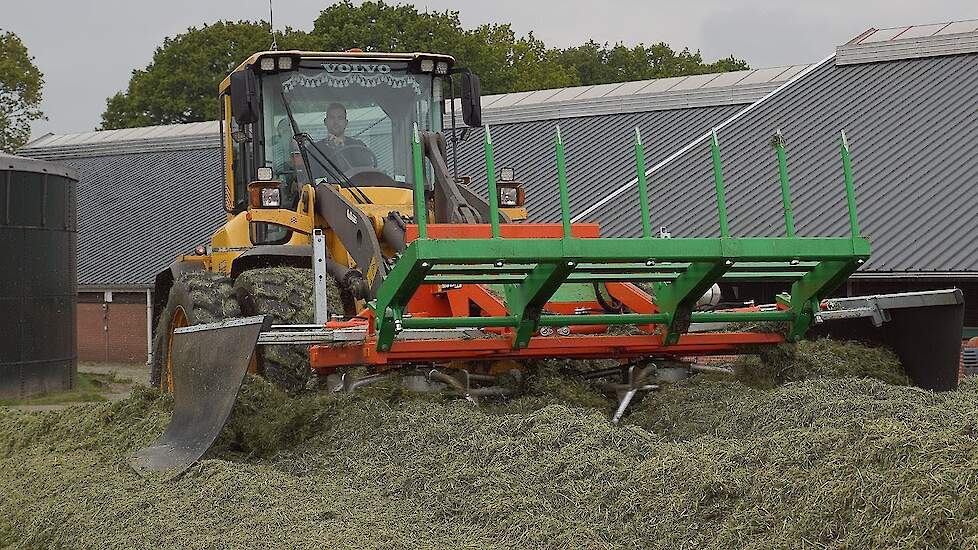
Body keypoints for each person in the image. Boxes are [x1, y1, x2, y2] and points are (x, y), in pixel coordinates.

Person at [312, 103, 374, 174]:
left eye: (340, 118)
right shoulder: (314, 149)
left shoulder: (359, 146)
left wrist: (341, 147)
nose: (336, 122)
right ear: (325, 122)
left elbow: (369, 172)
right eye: (332, 118)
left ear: (346, 122)